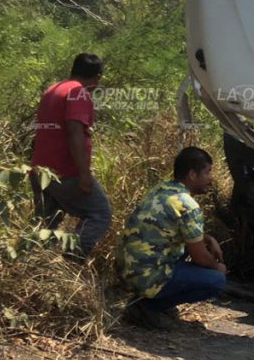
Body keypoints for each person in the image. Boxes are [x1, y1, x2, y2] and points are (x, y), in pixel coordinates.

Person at [117, 146, 227, 329]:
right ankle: (147, 307)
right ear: (192, 174)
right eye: (207, 172)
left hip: (127, 270)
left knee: (187, 251)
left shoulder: (161, 189)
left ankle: (157, 299)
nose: (210, 178)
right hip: (145, 277)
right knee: (216, 280)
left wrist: (209, 239)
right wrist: (218, 267)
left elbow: (179, 230)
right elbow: (200, 257)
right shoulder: (187, 204)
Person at [29, 52, 111, 258]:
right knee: (99, 213)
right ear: (97, 76)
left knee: (45, 225)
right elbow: (73, 130)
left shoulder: (52, 90)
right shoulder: (78, 93)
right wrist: (83, 174)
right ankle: (70, 260)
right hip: (64, 173)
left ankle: (39, 270)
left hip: (40, 171)